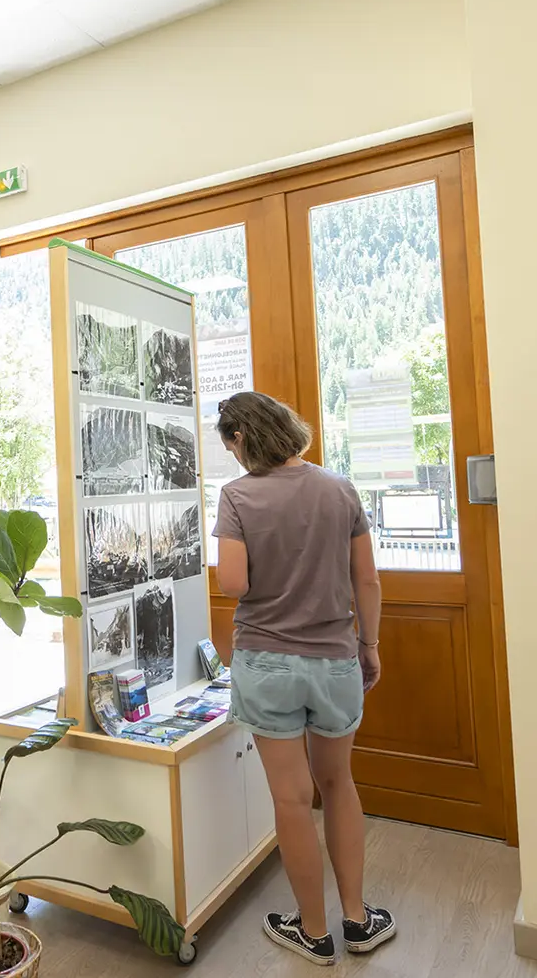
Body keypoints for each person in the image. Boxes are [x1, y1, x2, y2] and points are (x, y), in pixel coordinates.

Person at [212, 391, 393, 964]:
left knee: (292, 801)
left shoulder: (238, 497)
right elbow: (368, 580)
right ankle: (359, 921)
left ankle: (313, 932)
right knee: (338, 785)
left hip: (266, 663)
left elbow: (232, 584)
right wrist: (369, 645)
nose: (234, 460)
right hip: (336, 658)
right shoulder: (339, 488)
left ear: (240, 439)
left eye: (231, 447)